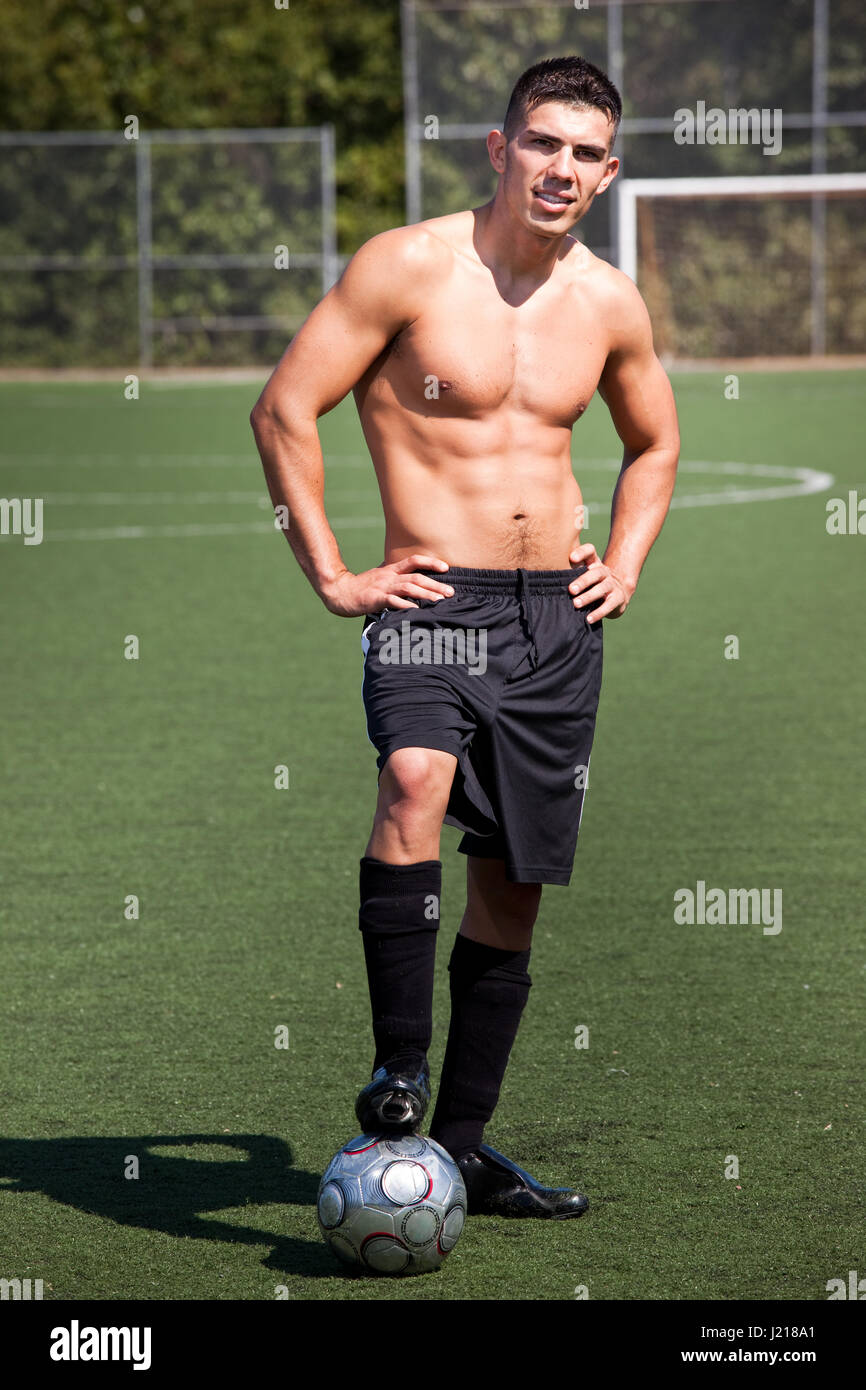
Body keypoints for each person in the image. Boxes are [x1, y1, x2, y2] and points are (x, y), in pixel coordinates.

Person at [251, 55, 680, 1219]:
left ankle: (467, 1145)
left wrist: (624, 562)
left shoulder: (606, 299)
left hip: (554, 619)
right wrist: (334, 572)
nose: (562, 168)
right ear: (498, 148)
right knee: (413, 778)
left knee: (513, 878)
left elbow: (654, 443)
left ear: (606, 170)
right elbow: (285, 407)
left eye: (586, 152)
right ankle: (397, 1066)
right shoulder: (407, 266)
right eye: (542, 142)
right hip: (434, 601)